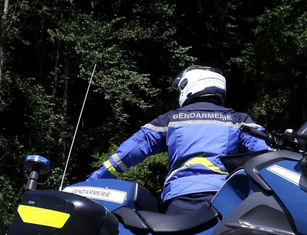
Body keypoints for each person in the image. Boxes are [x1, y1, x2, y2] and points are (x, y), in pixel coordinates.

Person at [86, 67, 269, 214]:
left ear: (190, 87)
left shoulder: (170, 119)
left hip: (181, 198)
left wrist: (94, 181)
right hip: (227, 197)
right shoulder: (238, 119)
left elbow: (130, 151)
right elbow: (266, 148)